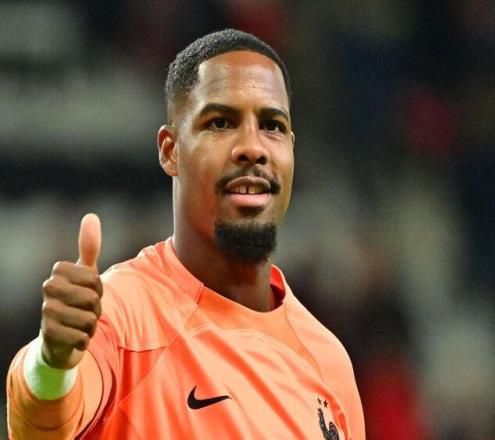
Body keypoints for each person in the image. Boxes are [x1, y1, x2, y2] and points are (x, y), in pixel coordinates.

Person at [7, 29, 365, 439]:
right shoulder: (123, 313)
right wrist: (51, 364)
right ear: (170, 150)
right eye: (221, 123)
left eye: (272, 125)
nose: (253, 147)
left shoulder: (328, 361)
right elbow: (39, 425)